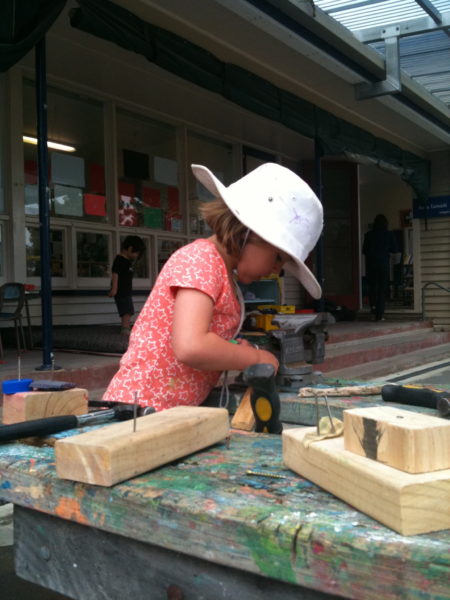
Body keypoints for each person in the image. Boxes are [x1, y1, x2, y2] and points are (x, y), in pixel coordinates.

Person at [103, 163, 323, 411]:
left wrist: (233, 348)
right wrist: (256, 358)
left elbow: (205, 336)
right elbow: (192, 346)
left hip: (171, 411)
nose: (276, 270)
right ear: (250, 232)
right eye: (278, 258)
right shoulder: (201, 259)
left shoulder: (222, 272)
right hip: (139, 410)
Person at [363, 214, 397, 322]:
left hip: (371, 264)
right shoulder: (389, 234)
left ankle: (373, 310)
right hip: (383, 264)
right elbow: (394, 249)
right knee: (382, 289)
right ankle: (380, 314)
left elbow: (364, 250)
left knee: (373, 287)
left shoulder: (368, 235)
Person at [108, 235, 145, 334]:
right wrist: (114, 288)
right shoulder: (120, 259)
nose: (136, 256)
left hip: (126, 290)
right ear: (130, 249)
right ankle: (125, 328)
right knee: (126, 310)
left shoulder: (128, 261)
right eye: (136, 253)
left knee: (129, 309)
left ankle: (127, 326)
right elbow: (115, 274)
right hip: (121, 290)